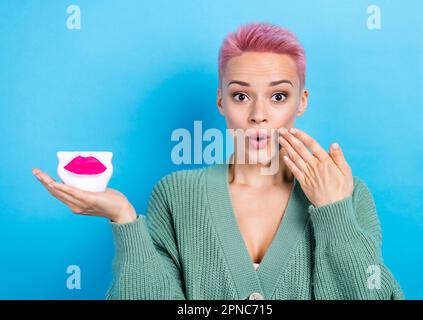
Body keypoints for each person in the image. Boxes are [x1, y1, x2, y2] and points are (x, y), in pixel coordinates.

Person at [32, 22, 404, 300]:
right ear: (221, 102)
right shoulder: (176, 194)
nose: (259, 114)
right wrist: (124, 219)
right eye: (241, 96)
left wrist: (334, 209)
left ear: (301, 102)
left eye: (278, 97)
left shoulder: (348, 194)